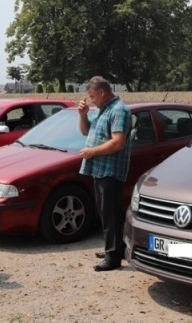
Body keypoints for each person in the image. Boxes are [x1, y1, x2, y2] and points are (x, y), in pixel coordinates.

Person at [77, 76, 131, 272]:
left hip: (111, 171)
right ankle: (114, 248)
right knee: (105, 213)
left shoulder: (119, 110)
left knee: (110, 214)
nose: (91, 100)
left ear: (102, 92)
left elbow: (118, 142)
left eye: (92, 96)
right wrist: (83, 115)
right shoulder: (102, 110)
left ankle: (113, 257)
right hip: (99, 170)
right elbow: (85, 132)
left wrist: (92, 152)